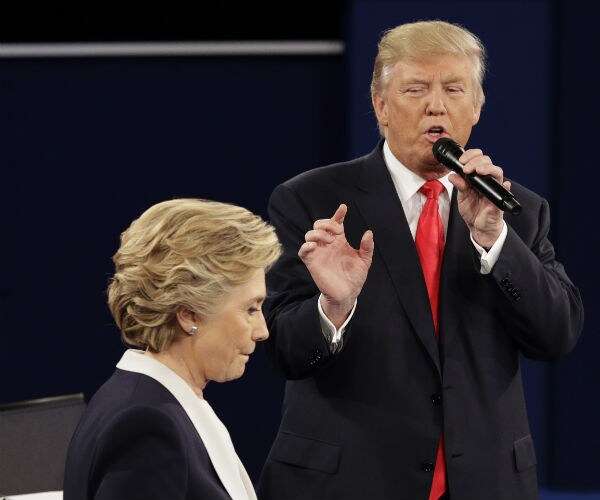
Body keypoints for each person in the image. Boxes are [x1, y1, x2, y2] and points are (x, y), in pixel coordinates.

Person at [257, 20, 584, 500]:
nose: (436, 105)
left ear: (477, 107)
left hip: (483, 484)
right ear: (380, 105)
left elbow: (557, 335)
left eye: (454, 89)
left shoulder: (517, 212)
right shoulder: (312, 200)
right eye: (416, 89)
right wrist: (333, 307)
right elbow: (284, 350)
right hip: (350, 483)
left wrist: (495, 240)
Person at [63, 198, 281, 500]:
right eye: (251, 309)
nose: (262, 331)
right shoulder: (147, 427)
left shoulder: (153, 402)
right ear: (189, 315)